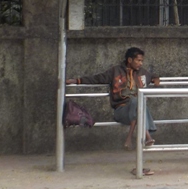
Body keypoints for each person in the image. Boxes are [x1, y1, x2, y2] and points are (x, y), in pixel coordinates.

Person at [67, 47, 161, 175]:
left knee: (138, 104)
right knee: (137, 101)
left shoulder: (142, 73)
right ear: (129, 60)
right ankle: (146, 135)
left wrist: (156, 79)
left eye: (142, 61)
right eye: (138, 60)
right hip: (121, 110)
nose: (141, 63)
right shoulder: (115, 71)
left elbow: (153, 76)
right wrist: (77, 81)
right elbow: (97, 78)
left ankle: (133, 144)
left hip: (137, 113)